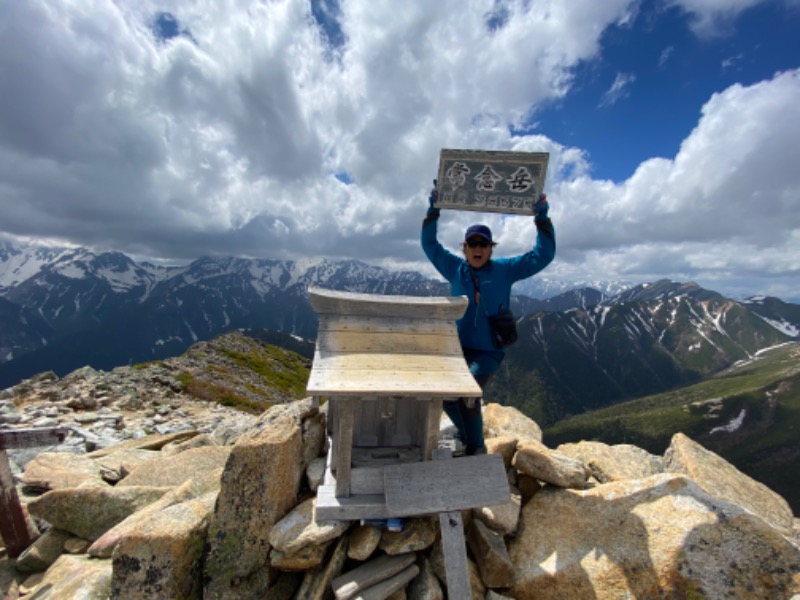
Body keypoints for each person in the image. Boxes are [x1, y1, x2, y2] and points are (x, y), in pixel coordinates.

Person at [421, 180, 555, 455]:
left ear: (491, 248)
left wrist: (542, 218)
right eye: (472, 243)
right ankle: (467, 434)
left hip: (489, 351)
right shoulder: (454, 268)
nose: (477, 248)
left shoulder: (505, 270)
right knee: (447, 398)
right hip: (456, 350)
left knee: (468, 394)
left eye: (483, 244)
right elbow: (429, 244)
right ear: (465, 248)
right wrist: (433, 210)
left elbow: (542, 256)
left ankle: (476, 447)